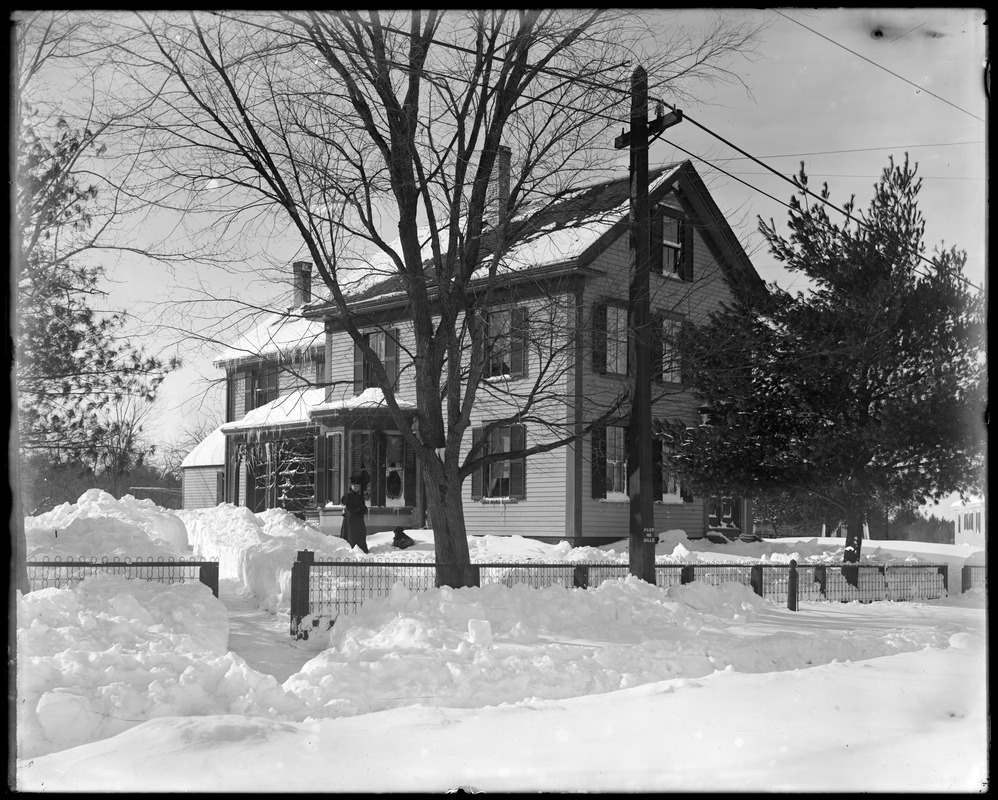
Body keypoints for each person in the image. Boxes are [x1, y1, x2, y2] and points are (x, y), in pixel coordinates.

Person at [340, 476, 369, 553]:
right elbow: (347, 506)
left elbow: (362, 506)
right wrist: (356, 509)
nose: (356, 488)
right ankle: (352, 549)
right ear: (351, 486)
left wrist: (362, 510)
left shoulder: (359, 497)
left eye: (357, 486)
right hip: (351, 519)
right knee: (351, 535)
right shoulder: (348, 496)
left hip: (359, 519)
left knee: (361, 533)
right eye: (354, 486)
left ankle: (361, 549)